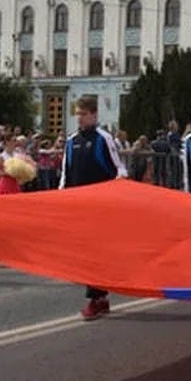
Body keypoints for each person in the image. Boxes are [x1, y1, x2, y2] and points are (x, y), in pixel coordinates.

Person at [61, 96, 127, 320]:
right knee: (86, 253)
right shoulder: (71, 141)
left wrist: (113, 196)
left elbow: (119, 170)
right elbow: (66, 176)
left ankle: (95, 299)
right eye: (77, 113)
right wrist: (61, 201)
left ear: (94, 115)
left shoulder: (103, 138)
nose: (79, 117)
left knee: (94, 253)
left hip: (100, 208)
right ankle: (101, 297)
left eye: (83, 113)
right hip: (79, 207)